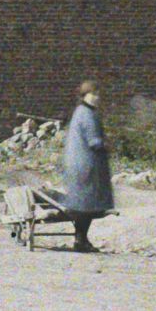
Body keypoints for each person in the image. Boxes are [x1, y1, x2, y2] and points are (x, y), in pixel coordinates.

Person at [60, 79, 114, 253]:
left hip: (79, 165)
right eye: (93, 94)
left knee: (84, 206)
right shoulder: (87, 114)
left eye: (98, 94)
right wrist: (108, 144)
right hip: (86, 166)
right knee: (87, 206)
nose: (97, 97)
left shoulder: (80, 111)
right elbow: (94, 141)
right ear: (84, 95)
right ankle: (81, 240)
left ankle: (80, 239)